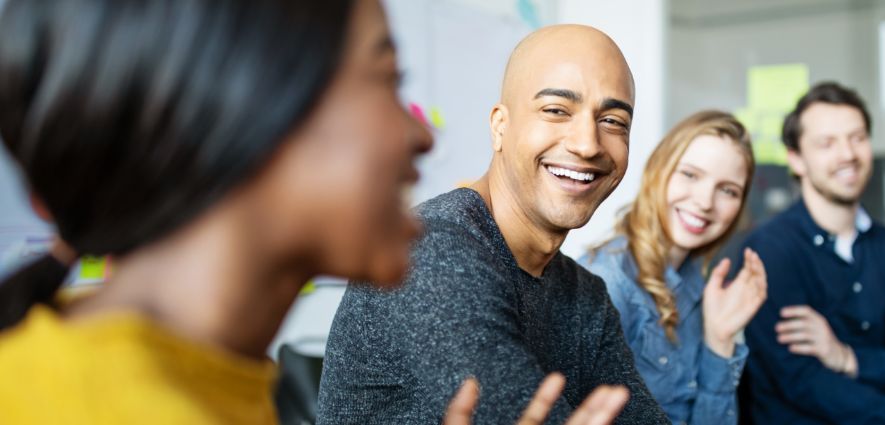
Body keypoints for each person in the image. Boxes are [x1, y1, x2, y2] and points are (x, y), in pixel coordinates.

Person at [0, 1, 627, 424]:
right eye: (386, 80)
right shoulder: (84, 404)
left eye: (613, 120)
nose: (423, 138)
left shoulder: (219, 388)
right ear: (260, 116)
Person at [317, 24, 670, 424]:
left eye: (612, 121)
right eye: (556, 111)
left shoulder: (585, 297)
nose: (588, 143)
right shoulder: (433, 250)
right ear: (500, 126)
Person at [720, 82, 885, 424]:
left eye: (857, 138)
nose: (847, 154)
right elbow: (802, 382)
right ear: (796, 159)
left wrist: (847, 358)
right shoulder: (770, 250)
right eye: (827, 143)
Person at [578, 110, 767, 424]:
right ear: (658, 169)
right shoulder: (606, 283)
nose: (706, 201)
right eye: (690, 174)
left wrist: (720, 339)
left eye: (727, 190)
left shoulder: (695, 284)